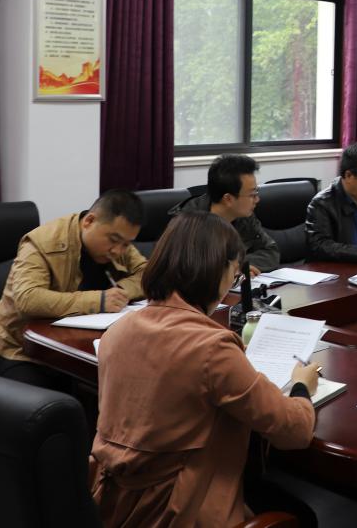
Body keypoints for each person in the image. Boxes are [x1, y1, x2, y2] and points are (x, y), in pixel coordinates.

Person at [91, 212, 319, 528]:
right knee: (301, 515)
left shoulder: (116, 333)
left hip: (116, 507)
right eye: (234, 275)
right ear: (216, 270)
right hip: (182, 511)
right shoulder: (212, 347)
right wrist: (301, 386)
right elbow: (293, 431)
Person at [0, 190, 147, 390]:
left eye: (126, 244)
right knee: (58, 405)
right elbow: (28, 299)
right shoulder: (42, 243)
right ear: (89, 221)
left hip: (76, 348)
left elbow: (147, 275)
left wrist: (121, 291)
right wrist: (100, 301)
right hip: (21, 352)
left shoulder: (118, 243)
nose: (118, 251)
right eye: (113, 240)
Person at [170, 154, 280, 274]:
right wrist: (230, 269)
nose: (257, 199)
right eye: (252, 194)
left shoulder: (244, 217)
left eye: (256, 192)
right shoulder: (187, 223)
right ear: (228, 199)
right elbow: (186, 269)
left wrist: (242, 266)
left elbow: (271, 251)